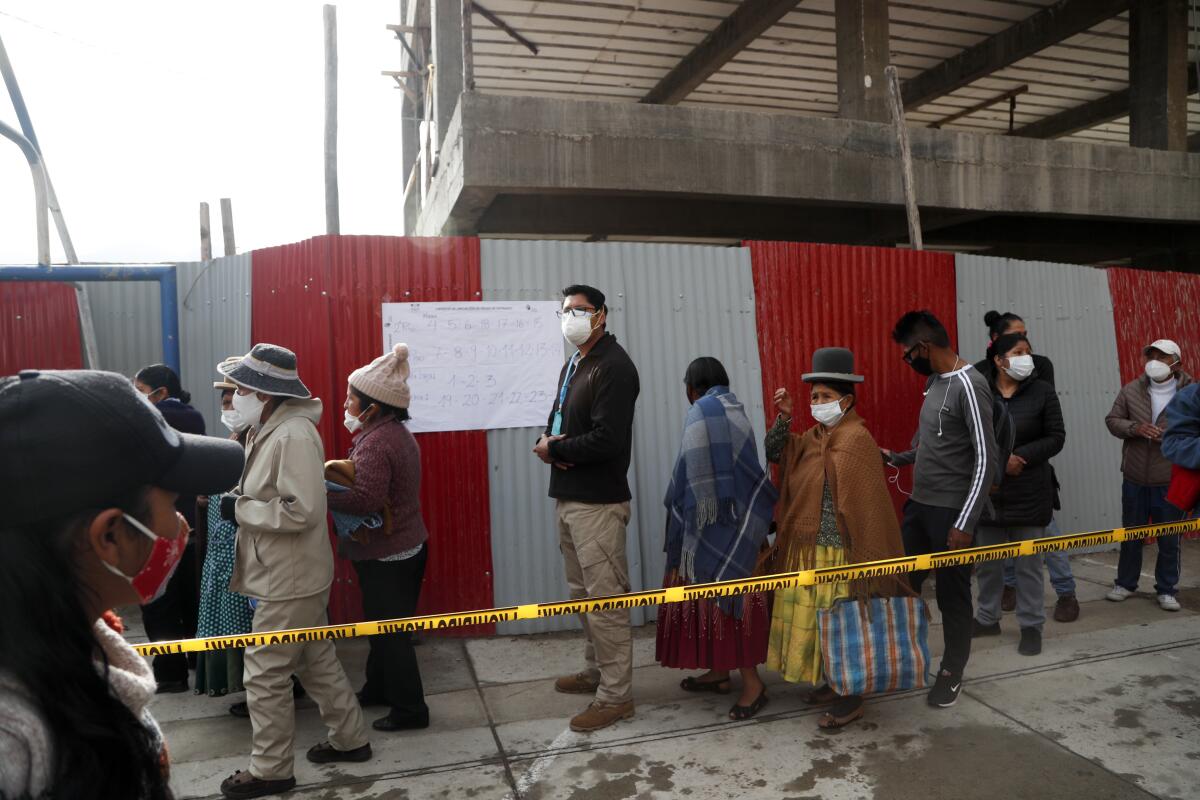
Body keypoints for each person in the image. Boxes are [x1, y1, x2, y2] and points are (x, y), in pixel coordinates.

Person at [0, 369, 243, 799]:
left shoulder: (68, 642)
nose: (180, 524)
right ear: (110, 536)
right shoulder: (15, 740)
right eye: (171, 504)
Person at [216, 345, 371, 799]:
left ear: (263, 393)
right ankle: (350, 738)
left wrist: (240, 510)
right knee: (313, 659)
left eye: (241, 388)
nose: (234, 396)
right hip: (287, 574)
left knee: (264, 674)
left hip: (288, 578)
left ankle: (271, 769)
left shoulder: (293, 435)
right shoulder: (270, 428)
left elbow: (300, 511)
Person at [764, 348, 910, 730]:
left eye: (825, 397)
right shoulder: (811, 438)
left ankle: (851, 698)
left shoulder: (856, 439)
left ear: (846, 400)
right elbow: (775, 451)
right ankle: (833, 683)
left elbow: (866, 506)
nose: (818, 403)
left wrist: (863, 554)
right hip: (811, 550)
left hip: (845, 553)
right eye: (814, 397)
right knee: (818, 622)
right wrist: (785, 416)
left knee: (846, 623)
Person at [533, 284, 640, 733]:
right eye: (564, 310)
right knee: (584, 596)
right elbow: (562, 418)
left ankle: (616, 697)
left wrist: (555, 451)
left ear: (601, 315)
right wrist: (548, 441)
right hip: (571, 496)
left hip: (597, 503)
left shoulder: (615, 367)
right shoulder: (575, 364)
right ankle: (596, 670)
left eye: (579, 310)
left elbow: (607, 439)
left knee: (606, 599)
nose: (570, 317)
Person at [656, 357, 777, 721]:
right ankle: (720, 673)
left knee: (730, 603)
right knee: (715, 604)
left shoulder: (702, 410)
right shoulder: (735, 410)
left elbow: (692, 475)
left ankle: (753, 685)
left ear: (692, 387)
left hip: (723, 530)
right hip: (743, 526)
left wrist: (693, 511)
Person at [886, 310, 996, 709]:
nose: (907, 361)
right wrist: (897, 458)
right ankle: (900, 660)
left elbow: (985, 459)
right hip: (920, 506)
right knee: (902, 585)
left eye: (907, 353)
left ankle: (952, 672)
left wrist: (965, 523)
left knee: (952, 595)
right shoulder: (934, 383)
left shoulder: (971, 385)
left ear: (924, 347)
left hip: (953, 513)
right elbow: (931, 444)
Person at [328, 343, 431, 733]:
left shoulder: (378, 442)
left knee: (391, 634)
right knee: (381, 626)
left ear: (373, 407)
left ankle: (410, 710)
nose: (347, 404)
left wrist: (315, 488)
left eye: (352, 399)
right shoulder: (388, 433)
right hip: (404, 547)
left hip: (392, 554)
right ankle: (378, 688)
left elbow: (364, 499)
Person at [976, 311, 1079, 623]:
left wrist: (1021, 456)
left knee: (1044, 539)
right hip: (996, 481)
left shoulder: (1040, 372)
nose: (1026, 354)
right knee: (996, 547)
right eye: (1016, 342)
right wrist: (999, 458)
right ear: (996, 346)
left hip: (1031, 477)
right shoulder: (980, 379)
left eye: (1027, 343)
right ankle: (1005, 592)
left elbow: (1049, 427)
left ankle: (1065, 592)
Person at [1104, 339, 1192, 612]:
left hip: (1171, 479)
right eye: (1151, 355)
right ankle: (1125, 583)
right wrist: (1136, 428)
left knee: (1169, 538)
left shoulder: (1192, 394)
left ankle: (1167, 589)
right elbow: (1112, 420)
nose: (1154, 361)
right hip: (1135, 478)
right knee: (1132, 534)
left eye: (1162, 356)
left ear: (1176, 362)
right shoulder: (1131, 390)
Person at [134, 362, 206, 693]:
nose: (137, 397)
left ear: (161, 392)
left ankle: (170, 673)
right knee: (190, 598)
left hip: (156, 527)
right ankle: (194, 660)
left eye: (140, 390)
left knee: (159, 601)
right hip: (191, 526)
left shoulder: (149, 419)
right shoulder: (194, 417)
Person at [195, 361, 255, 699]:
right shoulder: (237, 436)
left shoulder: (258, 439)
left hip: (239, 546)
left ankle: (253, 690)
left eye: (234, 398)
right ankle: (241, 687)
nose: (227, 407)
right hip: (223, 546)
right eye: (224, 401)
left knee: (243, 624)